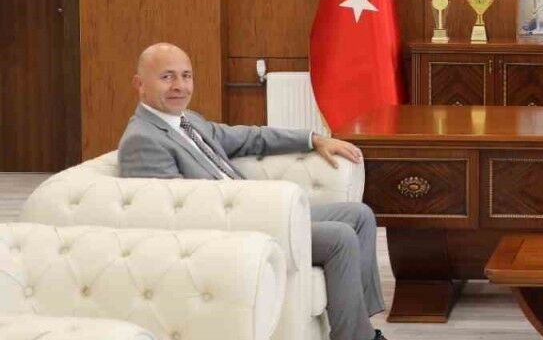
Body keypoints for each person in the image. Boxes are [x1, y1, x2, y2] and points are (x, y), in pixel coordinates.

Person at [117, 43, 387, 340]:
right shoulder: (143, 140)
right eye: (167, 77)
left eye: (186, 76)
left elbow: (249, 137)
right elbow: (177, 215)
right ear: (140, 84)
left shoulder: (188, 120)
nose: (179, 86)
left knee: (360, 216)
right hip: (233, 231)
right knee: (340, 237)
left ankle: (359, 326)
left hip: (255, 213)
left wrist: (313, 139)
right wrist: (249, 210)